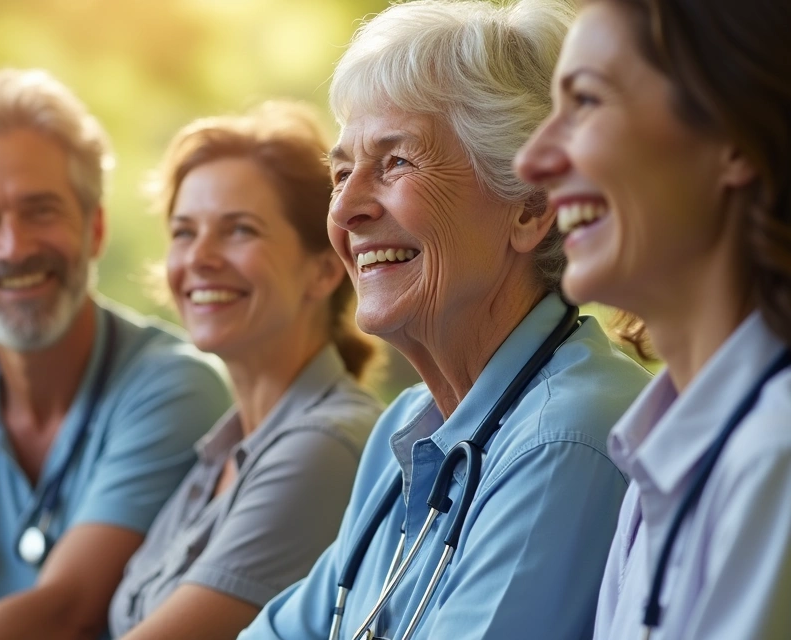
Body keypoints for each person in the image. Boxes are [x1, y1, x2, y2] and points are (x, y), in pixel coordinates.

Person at [238, 1, 652, 638]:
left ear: (531, 206)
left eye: (396, 162)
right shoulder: (403, 429)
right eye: (341, 172)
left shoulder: (567, 434)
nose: (345, 210)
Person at [0, 69, 230, 640]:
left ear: (94, 228)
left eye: (41, 211)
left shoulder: (177, 387)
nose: (14, 246)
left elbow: (67, 611)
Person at [515, 0, 791, 637]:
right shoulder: (653, 462)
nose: (532, 160)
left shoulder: (773, 455)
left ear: (733, 138)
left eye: (585, 102)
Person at [107, 103, 384, 639]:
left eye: (238, 230)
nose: (200, 258)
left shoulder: (323, 443)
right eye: (184, 232)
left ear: (325, 268)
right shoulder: (220, 454)